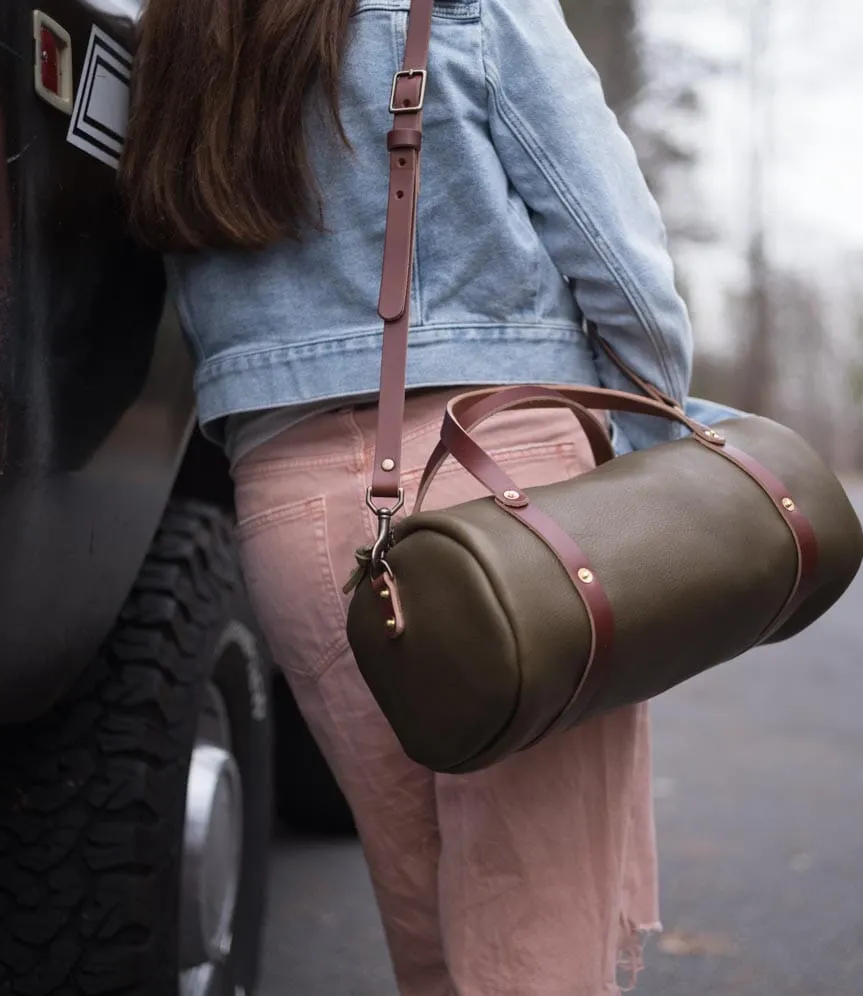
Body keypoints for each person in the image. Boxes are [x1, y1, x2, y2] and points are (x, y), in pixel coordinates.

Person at [121, 0, 736, 991]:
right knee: (536, 949)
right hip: (505, 483)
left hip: (291, 512)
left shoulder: (184, 26)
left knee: (438, 945)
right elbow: (617, 258)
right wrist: (657, 459)